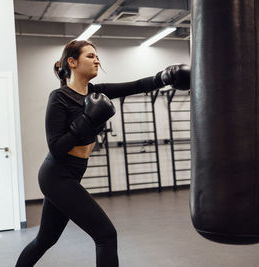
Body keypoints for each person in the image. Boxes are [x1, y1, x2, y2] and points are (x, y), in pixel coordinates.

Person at [16, 40, 190, 267]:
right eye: (90, 56)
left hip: (73, 173)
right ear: (72, 62)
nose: (97, 60)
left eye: (97, 56)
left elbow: (136, 85)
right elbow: (56, 148)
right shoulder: (59, 97)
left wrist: (163, 78)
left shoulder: (97, 92)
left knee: (45, 239)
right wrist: (86, 121)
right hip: (56, 175)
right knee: (106, 235)